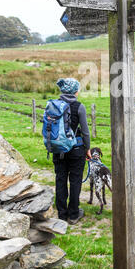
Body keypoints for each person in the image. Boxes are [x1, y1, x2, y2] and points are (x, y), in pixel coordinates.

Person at [53, 77, 91, 225]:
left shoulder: (54, 104)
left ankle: (61, 214)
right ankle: (74, 214)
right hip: (76, 149)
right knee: (75, 180)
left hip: (58, 149)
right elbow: (86, 132)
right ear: (75, 91)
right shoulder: (79, 106)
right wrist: (87, 148)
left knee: (60, 179)